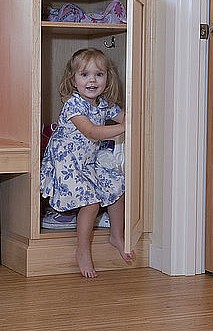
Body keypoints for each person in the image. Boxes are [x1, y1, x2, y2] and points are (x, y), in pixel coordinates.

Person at [40, 48, 134, 278]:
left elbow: (127, 116)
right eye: (84, 75)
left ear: (107, 78)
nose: (92, 80)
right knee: (91, 203)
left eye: (99, 74)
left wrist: (133, 117)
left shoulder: (103, 104)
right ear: (73, 80)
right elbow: (92, 131)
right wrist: (124, 128)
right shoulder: (73, 106)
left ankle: (116, 235)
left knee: (117, 186)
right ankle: (82, 250)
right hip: (67, 164)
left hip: (87, 163)